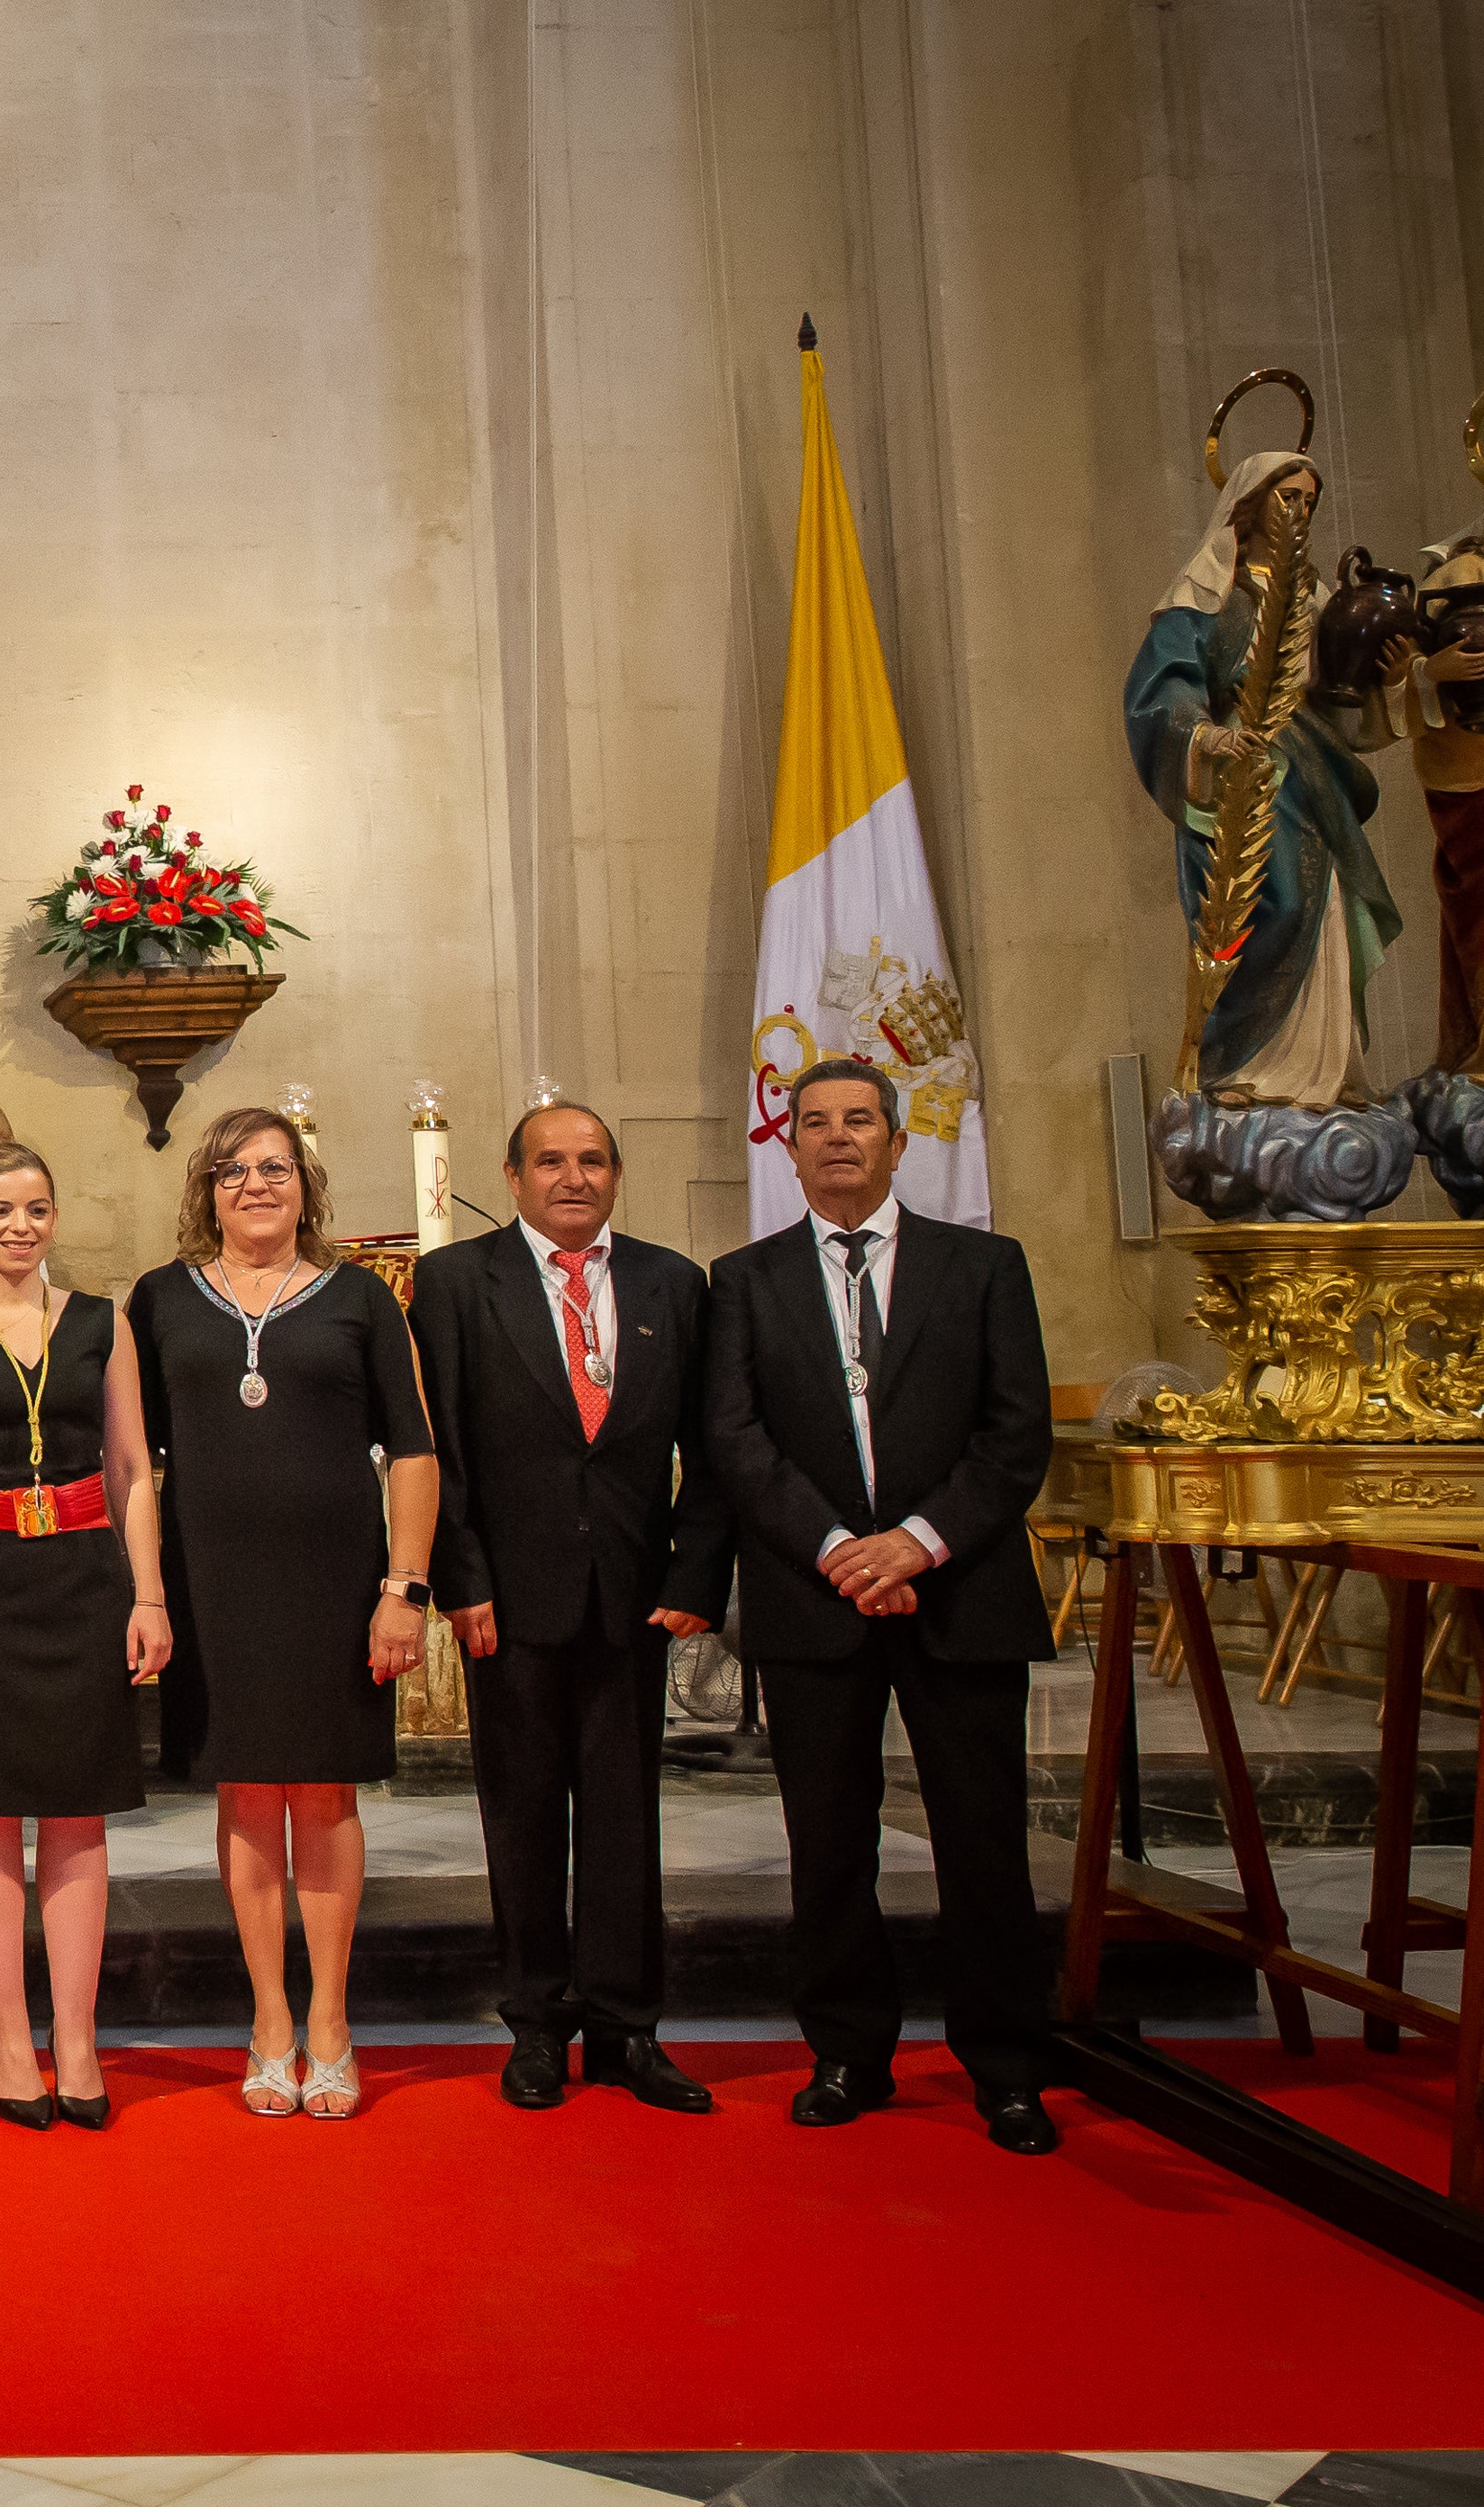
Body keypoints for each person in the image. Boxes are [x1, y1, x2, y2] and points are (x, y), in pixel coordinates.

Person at [705, 1057, 1062, 2154]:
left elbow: (1015, 1435)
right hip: (813, 1599)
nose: (837, 1138)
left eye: (858, 1119)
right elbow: (732, 1436)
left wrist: (911, 1542)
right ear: (790, 1144)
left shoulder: (983, 1265)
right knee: (826, 1840)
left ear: (897, 1142)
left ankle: (1005, 2066)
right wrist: (833, 1547)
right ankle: (848, 2053)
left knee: (981, 1838)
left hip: (957, 1590)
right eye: (814, 1122)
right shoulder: (746, 1279)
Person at [408, 1101, 726, 2117]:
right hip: (510, 1597)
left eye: (590, 1159)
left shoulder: (672, 1284)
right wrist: (461, 1582)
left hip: (634, 1597)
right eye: (549, 1160)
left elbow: (714, 1447)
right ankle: (537, 2022)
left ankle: (628, 2029)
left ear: (617, 1174)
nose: (571, 1176)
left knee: (629, 1817)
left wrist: (691, 1578)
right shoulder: (458, 1282)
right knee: (523, 1813)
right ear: (510, 1178)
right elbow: (437, 1448)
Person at [127, 1107, 437, 2121]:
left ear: (305, 1183)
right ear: (203, 1190)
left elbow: (416, 1450)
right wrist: (145, 1590)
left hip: (335, 1583)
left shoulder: (359, 1298)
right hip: (214, 1586)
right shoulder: (160, 1298)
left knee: (324, 1799)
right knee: (246, 1799)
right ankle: (268, 2021)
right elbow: (133, 1460)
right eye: (231, 1169)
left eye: (273, 1166)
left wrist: (402, 1589)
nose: (254, 1184)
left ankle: (333, 2021)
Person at [0, 1142, 165, 2130]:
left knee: (77, 1813)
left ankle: (78, 2036)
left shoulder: (102, 1323)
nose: (18, 1225)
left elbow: (133, 1467)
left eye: (35, 1208)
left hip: (83, 1579)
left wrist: (149, 1595)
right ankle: (8, 2033)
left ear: (54, 1218)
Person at [1126, 451, 1398, 1103]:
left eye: (1309, 501)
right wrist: (1207, 735)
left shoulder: (1317, 598)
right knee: (1269, 906)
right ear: (1249, 507)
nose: (1299, 512)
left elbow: (1342, 701)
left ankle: (1329, 1072)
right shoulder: (1207, 592)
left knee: (1329, 906)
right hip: (1244, 781)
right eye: (1287, 498)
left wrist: (1395, 671)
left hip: (1315, 775)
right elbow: (1161, 690)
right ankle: (1234, 1065)